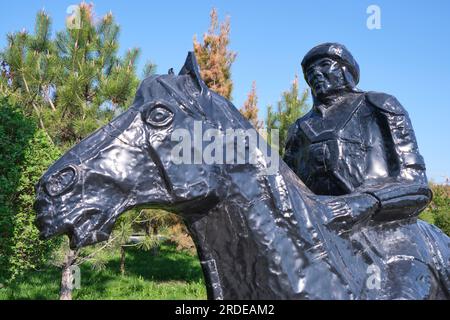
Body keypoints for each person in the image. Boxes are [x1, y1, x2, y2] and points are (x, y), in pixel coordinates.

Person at [284, 42, 432, 228]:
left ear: (346, 69)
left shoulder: (379, 105)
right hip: (317, 226)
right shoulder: (297, 128)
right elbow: (283, 188)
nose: (315, 72)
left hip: (379, 225)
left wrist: (368, 201)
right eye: (309, 70)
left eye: (324, 64)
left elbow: (416, 184)